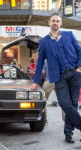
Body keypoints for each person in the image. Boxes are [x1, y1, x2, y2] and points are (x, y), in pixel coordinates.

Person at [31, 12, 81, 143]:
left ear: (61, 23)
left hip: (75, 73)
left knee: (74, 104)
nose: (55, 23)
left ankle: (68, 133)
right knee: (65, 104)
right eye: (53, 21)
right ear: (49, 22)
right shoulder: (44, 41)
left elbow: (79, 51)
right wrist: (36, 81)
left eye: (57, 21)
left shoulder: (69, 35)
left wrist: (79, 68)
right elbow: (40, 62)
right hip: (59, 76)